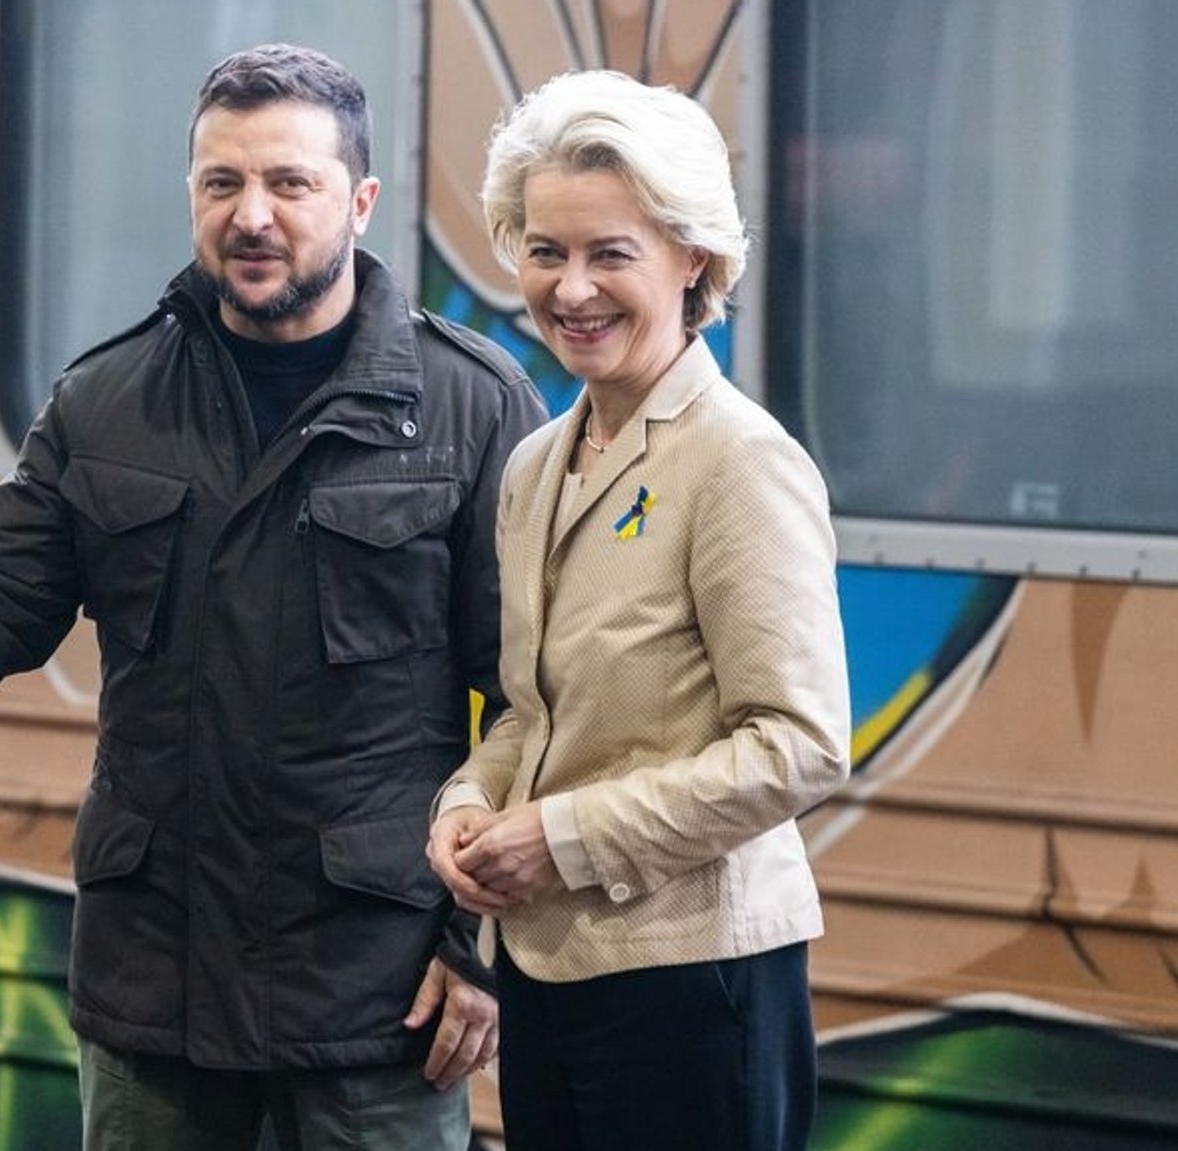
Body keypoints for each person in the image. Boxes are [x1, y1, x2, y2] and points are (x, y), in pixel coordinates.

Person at [0, 43, 545, 1150]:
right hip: (159, 991)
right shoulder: (108, 401)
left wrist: (471, 942)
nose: (252, 215)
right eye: (222, 182)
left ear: (359, 201)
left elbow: (538, 699)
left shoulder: (468, 409)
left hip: (374, 998)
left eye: (288, 184)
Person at [425, 70, 852, 1151]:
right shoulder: (535, 461)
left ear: (691, 258)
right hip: (551, 972)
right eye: (544, 250)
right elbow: (531, 707)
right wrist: (465, 805)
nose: (570, 289)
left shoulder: (740, 461)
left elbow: (798, 746)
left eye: (609, 253)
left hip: (697, 984)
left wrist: (560, 837)